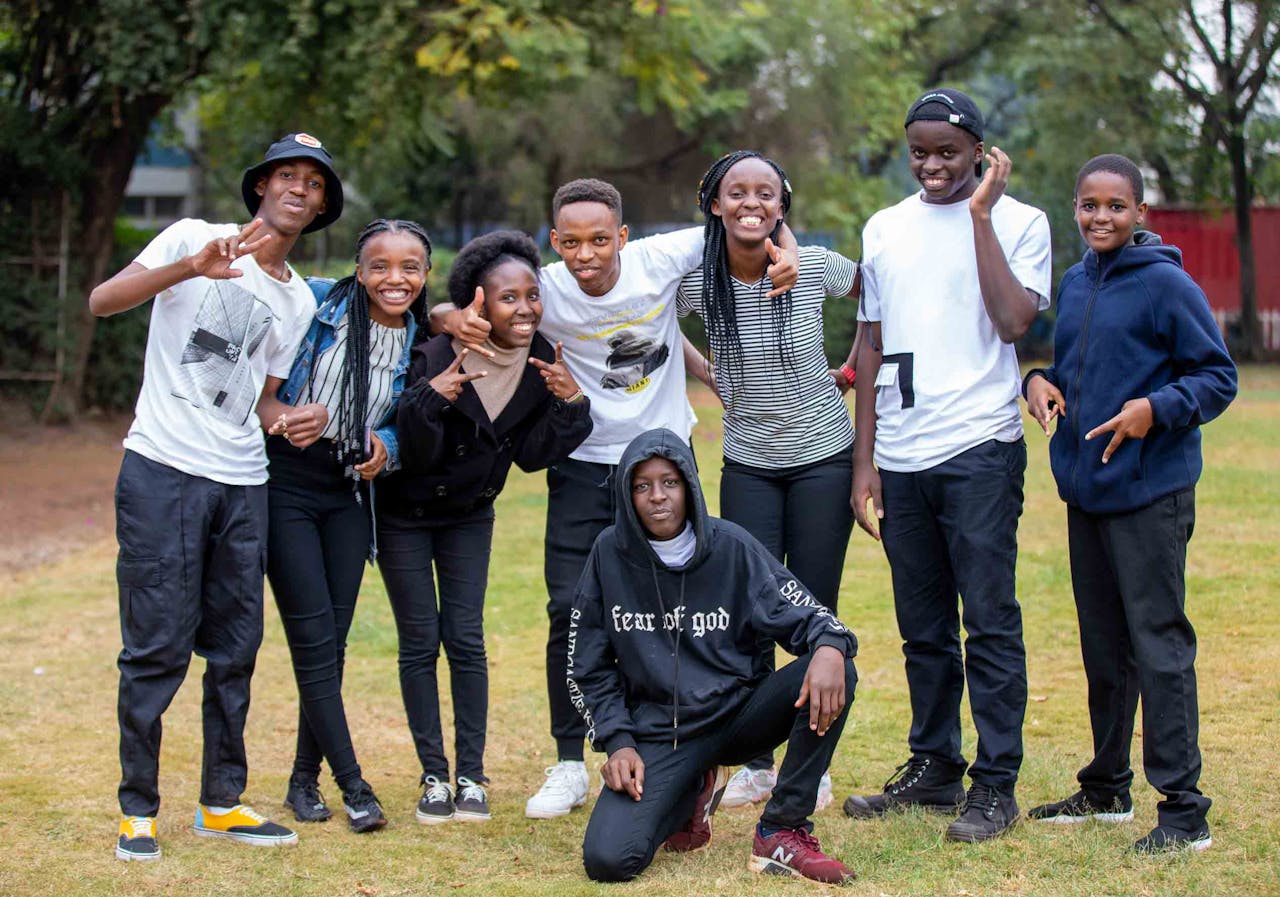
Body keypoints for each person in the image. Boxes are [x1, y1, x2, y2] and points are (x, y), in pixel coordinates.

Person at [431, 178, 800, 819]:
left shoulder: (661, 259)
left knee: (683, 604)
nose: (587, 254)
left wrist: (786, 245)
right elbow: (460, 305)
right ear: (554, 242)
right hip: (580, 465)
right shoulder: (542, 288)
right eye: (571, 242)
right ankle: (570, 761)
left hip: (661, 464)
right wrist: (448, 314)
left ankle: (694, 743)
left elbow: (744, 221)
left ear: (623, 236)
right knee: (568, 610)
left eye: (601, 239)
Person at [88, 133, 343, 860]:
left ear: (322, 204)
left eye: (314, 183)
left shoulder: (296, 300)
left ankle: (221, 800)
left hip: (243, 482)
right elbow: (103, 301)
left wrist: (290, 420)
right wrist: (189, 268)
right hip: (162, 469)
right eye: (287, 176)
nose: (299, 189)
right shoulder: (196, 236)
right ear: (261, 186)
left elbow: (258, 401)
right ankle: (138, 807)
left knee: (235, 647)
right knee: (158, 644)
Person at [840, 89, 1052, 843]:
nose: (931, 166)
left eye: (947, 153)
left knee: (988, 621)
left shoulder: (1021, 222)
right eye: (919, 153)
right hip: (901, 456)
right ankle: (934, 765)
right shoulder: (884, 228)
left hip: (979, 449)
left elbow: (1014, 320)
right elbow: (869, 344)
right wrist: (864, 465)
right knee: (923, 626)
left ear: (978, 152)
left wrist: (981, 216)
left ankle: (995, 784)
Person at [1022, 154, 1236, 853]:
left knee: (1159, 645)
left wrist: (1156, 408)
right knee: (1104, 646)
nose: (1101, 217)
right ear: (1076, 208)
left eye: (1116, 205)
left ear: (1141, 213)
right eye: (1089, 205)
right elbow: (1074, 368)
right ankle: (1106, 787)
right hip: (1087, 492)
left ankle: (1184, 811)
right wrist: (1039, 382)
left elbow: (1217, 377)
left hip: (1150, 492)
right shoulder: (1077, 280)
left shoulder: (1168, 285)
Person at [567, 428, 859, 885]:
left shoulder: (731, 546)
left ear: (689, 485)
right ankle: (695, 789)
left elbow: (805, 612)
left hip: (741, 715)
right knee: (609, 859)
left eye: (670, 482)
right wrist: (618, 740)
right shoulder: (609, 553)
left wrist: (830, 644)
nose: (657, 497)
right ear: (627, 493)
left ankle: (781, 829)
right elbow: (587, 664)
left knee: (834, 664)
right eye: (642, 486)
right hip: (663, 733)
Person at [379, 230, 594, 824]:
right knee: (421, 642)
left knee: (466, 641)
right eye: (508, 298)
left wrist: (572, 405)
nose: (523, 309)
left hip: (471, 515)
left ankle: (471, 775)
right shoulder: (433, 350)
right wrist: (432, 396)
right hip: (405, 514)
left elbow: (529, 454)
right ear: (478, 301)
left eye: (532, 295)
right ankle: (433, 776)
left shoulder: (543, 359)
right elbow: (414, 449)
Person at [677, 150, 860, 811]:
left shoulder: (812, 267)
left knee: (814, 611)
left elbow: (879, 297)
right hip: (750, 460)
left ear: (781, 205)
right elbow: (654, 318)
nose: (751, 202)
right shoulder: (699, 282)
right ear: (715, 203)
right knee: (749, 613)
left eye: (765, 192)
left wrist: (855, 365)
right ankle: (756, 760)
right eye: (736, 191)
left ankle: (810, 763)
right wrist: (708, 372)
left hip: (823, 455)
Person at [254, 218, 433, 834]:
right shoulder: (317, 305)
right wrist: (284, 419)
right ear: (358, 272)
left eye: (410, 267)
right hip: (289, 482)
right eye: (380, 265)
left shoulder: (422, 342)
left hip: (351, 492)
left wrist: (386, 447)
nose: (395, 278)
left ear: (425, 276)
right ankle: (352, 783)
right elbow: (263, 392)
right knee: (312, 640)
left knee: (332, 643)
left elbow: (404, 427)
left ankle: (302, 779)